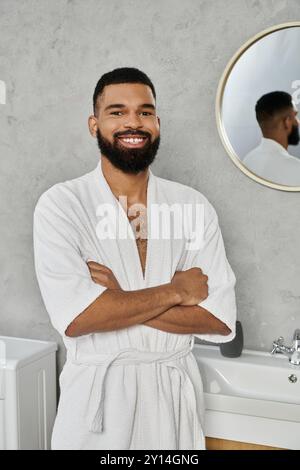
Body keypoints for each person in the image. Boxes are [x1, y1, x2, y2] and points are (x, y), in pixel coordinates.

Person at [33, 67, 237, 450]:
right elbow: (78, 318)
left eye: (145, 112)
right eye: (117, 111)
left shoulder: (193, 205)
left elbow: (217, 319)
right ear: (94, 124)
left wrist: (118, 297)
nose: (133, 122)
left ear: (157, 122)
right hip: (98, 404)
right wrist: (177, 290)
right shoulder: (62, 205)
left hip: (172, 397)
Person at [243, 91, 300, 186]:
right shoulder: (296, 169)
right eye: (294, 116)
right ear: (287, 122)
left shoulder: (247, 161)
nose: (298, 122)